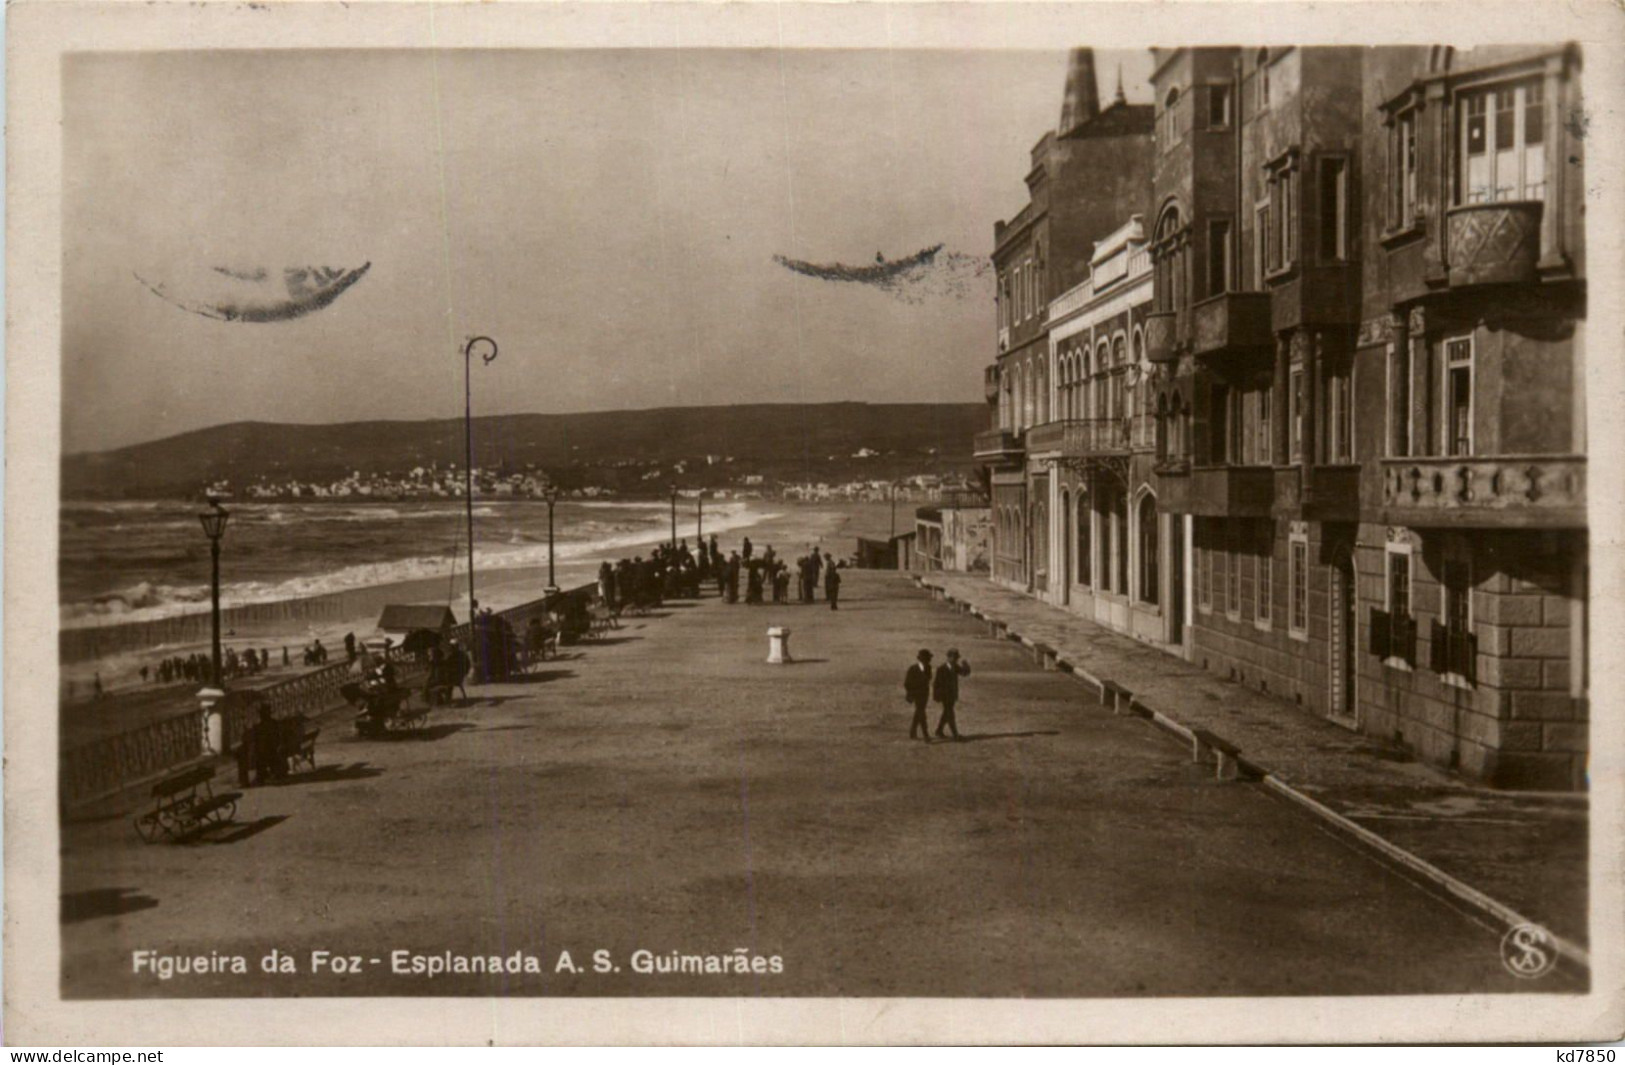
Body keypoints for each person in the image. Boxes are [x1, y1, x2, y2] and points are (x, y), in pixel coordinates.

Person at [932, 649, 972, 741]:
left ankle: (939, 730)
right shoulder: (941, 669)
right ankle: (955, 735)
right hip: (945, 696)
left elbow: (964, 673)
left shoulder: (955, 667)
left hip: (952, 695)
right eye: (954, 658)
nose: (956, 660)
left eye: (957, 658)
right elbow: (936, 684)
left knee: (946, 713)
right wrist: (936, 696)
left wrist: (966, 665)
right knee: (950, 714)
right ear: (949, 657)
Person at [904, 650, 934, 742]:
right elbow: (907, 683)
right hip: (916, 694)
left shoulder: (928, 668)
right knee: (921, 713)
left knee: (919, 712)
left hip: (925, 694)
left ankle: (913, 731)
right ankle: (925, 734)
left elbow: (929, 678)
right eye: (927, 659)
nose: (929, 661)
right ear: (922, 659)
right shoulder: (913, 669)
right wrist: (912, 692)